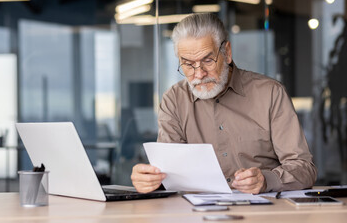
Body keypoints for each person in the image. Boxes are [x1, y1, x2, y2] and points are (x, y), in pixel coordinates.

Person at [131, 13, 317, 194]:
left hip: (261, 211)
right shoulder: (173, 100)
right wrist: (150, 180)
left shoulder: (270, 93)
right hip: (195, 214)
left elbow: (304, 169)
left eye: (208, 60)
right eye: (188, 64)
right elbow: (169, 173)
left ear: (227, 52)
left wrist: (266, 180)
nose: (199, 74)